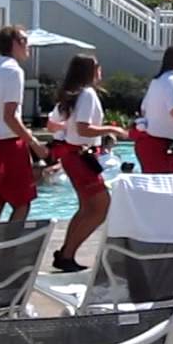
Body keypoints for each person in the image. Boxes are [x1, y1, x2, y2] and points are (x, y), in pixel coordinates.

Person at [48, 54, 126, 272]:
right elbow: (84, 128)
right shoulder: (88, 94)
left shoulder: (73, 95)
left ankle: (66, 252)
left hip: (73, 157)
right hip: (82, 156)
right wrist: (112, 128)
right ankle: (68, 253)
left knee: (86, 207)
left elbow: (56, 125)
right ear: (91, 71)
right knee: (101, 207)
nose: (101, 71)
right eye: (98, 67)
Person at [0, 25, 46, 223]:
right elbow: (10, 116)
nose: (28, 46)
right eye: (24, 41)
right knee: (22, 204)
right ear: (14, 44)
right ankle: (9, 248)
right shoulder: (14, 72)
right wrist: (34, 143)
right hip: (9, 146)